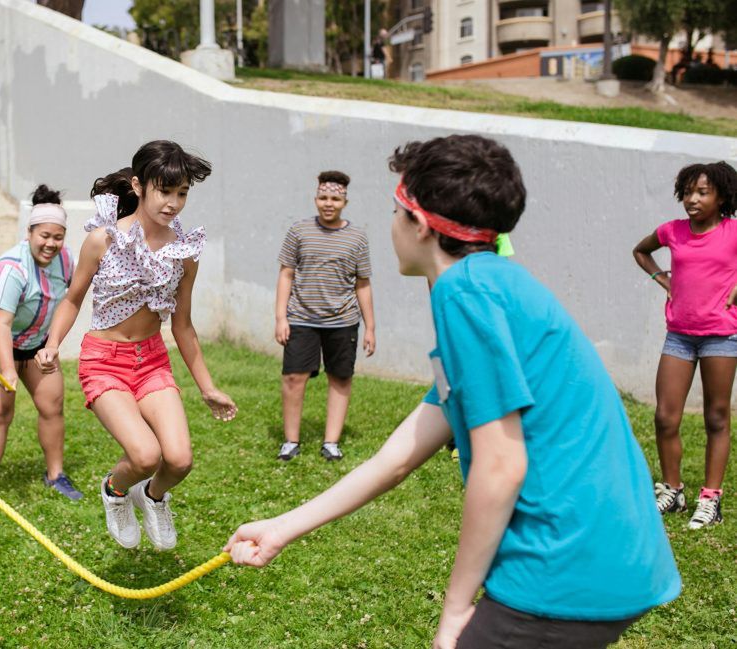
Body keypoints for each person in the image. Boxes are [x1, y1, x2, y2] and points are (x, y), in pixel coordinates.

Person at [225, 135, 680, 649]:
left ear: (418, 225)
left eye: (396, 211)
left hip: (563, 563)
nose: (392, 224)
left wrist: (456, 609)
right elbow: (398, 457)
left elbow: (500, 465)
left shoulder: (465, 294)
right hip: (614, 554)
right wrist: (283, 527)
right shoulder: (492, 285)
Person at [36, 140, 238, 552]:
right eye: (165, 191)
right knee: (145, 456)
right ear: (139, 186)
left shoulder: (185, 252)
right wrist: (52, 343)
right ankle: (114, 490)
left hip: (152, 362)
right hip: (104, 362)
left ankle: (153, 497)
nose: (174, 203)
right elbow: (73, 298)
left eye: (182, 193)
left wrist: (207, 386)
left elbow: (182, 325)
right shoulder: (103, 240)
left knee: (179, 460)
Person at [632, 160, 737, 529]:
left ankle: (711, 499)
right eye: (688, 192)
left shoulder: (732, 232)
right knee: (665, 417)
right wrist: (664, 279)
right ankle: (673, 490)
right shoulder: (672, 231)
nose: (692, 199)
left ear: (722, 196)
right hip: (679, 335)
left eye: (702, 192)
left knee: (716, 417)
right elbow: (640, 251)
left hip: (721, 336)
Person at [0, 184, 83, 514]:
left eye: (57, 237)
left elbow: (68, 303)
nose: (50, 243)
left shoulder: (65, 260)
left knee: (52, 403)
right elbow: (2, 324)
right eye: (44, 235)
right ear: (29, 232)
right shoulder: (11, 268)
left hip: (35, 340)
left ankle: (56, 475)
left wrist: (52, 345)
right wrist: (7, 370)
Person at [274, 170, 375, 461]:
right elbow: (286, 274)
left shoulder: (357, 237)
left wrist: (370, 327)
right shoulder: (299, 231)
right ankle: (291, 441)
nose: (328, 203)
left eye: (335, 198)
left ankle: (331, 442)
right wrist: (281, 317)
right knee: (293, 377)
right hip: (301, 318)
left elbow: (363, 283)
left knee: (340, 377)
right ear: (315, 198)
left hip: (343, 321)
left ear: (344, 201)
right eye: (323, 197)